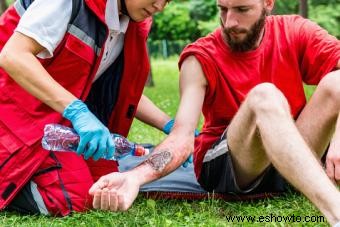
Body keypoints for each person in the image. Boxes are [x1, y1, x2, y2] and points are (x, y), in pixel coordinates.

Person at [89, 0, 340, 225]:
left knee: (334, 82)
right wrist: (135, 177)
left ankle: (307, 178)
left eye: (242, 10)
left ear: (268, 4)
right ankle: (335, 211)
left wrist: (338, 140)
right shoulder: (199, 57)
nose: (230, 22)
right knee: (265, 95)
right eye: (223, 9)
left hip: (290, 159)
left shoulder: (295, 30)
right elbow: (181, 138)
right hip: (230, 166)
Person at [0, 0, 172, 216]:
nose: (160, 5)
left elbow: (125, 91)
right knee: (72, 198)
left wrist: (170, 125)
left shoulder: (126, 24)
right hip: (14, 117)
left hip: (54, 122)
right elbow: (12, 56)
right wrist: (77, 112)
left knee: (105, 185)